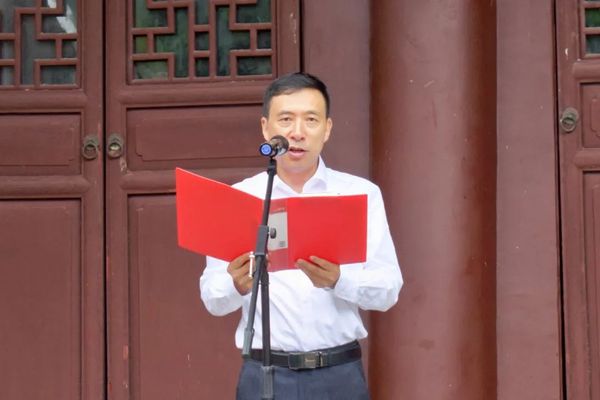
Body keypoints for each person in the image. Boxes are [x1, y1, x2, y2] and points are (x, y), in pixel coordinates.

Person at [199, 72, 403, 400]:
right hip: (265, 374)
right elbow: (213, 299)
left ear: (327, 129)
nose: (297, 132)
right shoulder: (240, 198)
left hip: (338, 374)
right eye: (286, 119)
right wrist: (236, 284)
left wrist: (339, 280)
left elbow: (388, 290)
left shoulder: (359, 194)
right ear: (266, 128)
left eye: (311, 119)